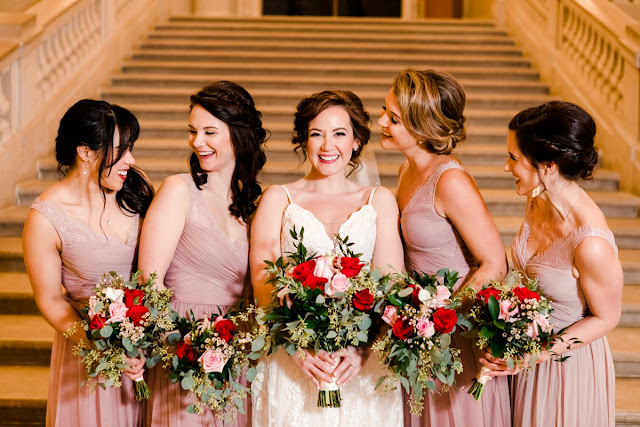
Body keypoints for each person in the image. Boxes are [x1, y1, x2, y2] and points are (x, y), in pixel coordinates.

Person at [250, 90, 405, 426]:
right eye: (316, 134)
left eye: (339, 134)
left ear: (357, 142)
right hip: (292, 365)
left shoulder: (378, 200)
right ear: (304, 141)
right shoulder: (279, 198)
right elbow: (263, 284)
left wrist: (363, 349)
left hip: (359, 367)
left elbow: (391, 282)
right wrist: (295, 349)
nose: (326, 146)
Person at [378, 68, 510, 427]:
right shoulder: (407, 170)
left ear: (422, 127)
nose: (381, 122)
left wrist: (444, 318)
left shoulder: (451, 180)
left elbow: (495, 263)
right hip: (418, 331)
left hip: (454, 335)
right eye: (384, 112)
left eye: (394, 119)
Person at [479, 101, 623, 426]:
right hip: (526, 361)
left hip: (567, 367)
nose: (506, 167)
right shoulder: (536, 201)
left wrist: (536, 354)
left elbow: (606, 317)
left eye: (513, 158)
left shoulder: (591, 242)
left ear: (548, 166)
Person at [138, 80, 267, 426]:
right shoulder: (179, 190)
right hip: (181, 349)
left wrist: (241, 343)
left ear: (239, 136)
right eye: (193, 131)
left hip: (235, 351)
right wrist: (185, 347)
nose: (197, 142)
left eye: (210, 131)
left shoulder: (252, 207)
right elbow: (148, 283)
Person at [22, 99, 154, 426]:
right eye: (121, 150)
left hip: (146, 353)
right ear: (85, 152)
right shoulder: (45, 219)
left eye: (131, 149)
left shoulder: (135, 190)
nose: (131, 160)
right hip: (89, 353)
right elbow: (50, 299)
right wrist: (105, 346)